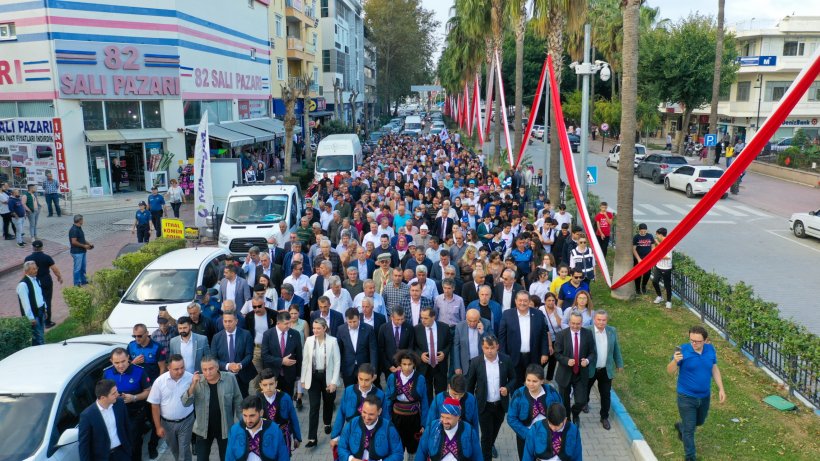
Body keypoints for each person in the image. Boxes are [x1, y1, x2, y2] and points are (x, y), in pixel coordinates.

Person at [667, 325, 726, 461]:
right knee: (690, 430)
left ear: (705, 341)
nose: (694, 343)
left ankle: (681, 427)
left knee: (698, 422)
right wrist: (675, 361)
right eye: (691, 340)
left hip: (704, 396)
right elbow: (670, 371)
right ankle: (690, 457)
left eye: (697, 341)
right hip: (686, 397)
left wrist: (721, 388)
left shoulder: (710, 350)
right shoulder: (683, 351)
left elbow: (714, 369)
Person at [182, 356, 242, 461]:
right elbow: (185, 402)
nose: (208, 372)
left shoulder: (230, 378)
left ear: (217, 367)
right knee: (202, 459)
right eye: (204, 369)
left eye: (211, 368)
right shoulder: (197, 381)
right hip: (203, 430)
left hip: (225, 428)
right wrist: (193, 385)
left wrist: (243, 424)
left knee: (227, 458)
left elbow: (238, 401)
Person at [466, 334, 516, 461]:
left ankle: (490, 444)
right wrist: (469, 405)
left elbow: (514, 378)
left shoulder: (506, 359)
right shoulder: (476, 362)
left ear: (497, 347)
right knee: (486, 436)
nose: (489, 351)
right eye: (486, 348)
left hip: (500, 405)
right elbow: (469, 386)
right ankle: (486, 456)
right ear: (482, 347)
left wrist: (508, 388)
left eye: (492, 348)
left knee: (494, 431)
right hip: (484, 406)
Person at [103, 348, 151, 461]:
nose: (120, 365)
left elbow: (148, 391)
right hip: (115, 415)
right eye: (117, 362)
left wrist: (134, 398)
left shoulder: (139, 371)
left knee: (134, 444)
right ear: (111, 361)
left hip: (134, 415)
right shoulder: (107, 373)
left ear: (128, 358)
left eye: (123, 361)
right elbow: (103, 394)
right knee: (119, 445)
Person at [507, 364, 563, 460]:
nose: (531, 384)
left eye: (535, 381)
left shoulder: (552, 392)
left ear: (542, 381)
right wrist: (528, 434)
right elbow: (511, 418)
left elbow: (560, 412)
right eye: (528, 380)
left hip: (549, 436)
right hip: (525, 437)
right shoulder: (519, 394)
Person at [300, 317, 341, 447]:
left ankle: (327, 422)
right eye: (314, 328)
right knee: (314, 406)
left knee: (328, 402)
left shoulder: (333, 341)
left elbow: (337, 362)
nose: (315, 330)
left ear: (324, 328)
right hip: (313, 377)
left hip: (327, 377)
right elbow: (305, 361)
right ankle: (312, 438)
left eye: (318, 328)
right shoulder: (309, 340)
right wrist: (302, 378)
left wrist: (334, 382)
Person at [148, 355, 195, 461]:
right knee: (175, 450)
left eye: (182, 367)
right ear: (168, 367)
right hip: (167, 424)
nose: (180, 371)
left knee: (184, 449)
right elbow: (155, 405)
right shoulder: (159, 382)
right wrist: (158, 427)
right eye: (176, 369)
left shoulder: (190, 378)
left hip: (187, 421)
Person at [554, 311, 596, 427]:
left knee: (581, 401)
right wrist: (567, 360)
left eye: (578, 324)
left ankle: (575, 413)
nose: (575, 326)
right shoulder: (561, 335)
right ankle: (567, 420)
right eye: (573, 323)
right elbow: (557, 354)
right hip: (565, 374)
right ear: (569, 322)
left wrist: (587, 361)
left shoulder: (587, 334)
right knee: (564, 401)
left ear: (582, 323)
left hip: (580, 374)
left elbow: (592, 352)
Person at [499, 291, 550, 387]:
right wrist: (503, 356)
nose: (522, 303)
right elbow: (502, 338)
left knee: (533, 384)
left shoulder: (538, 314)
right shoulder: (507, 314)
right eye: (520, 300)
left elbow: (543, 335)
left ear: (529, 301)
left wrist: (544, 353)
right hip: (513, 357)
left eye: (525, 301)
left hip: (533, 356)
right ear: (515, 301)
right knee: (515, 385)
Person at [384, 349, 429, 457]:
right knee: (397, 445)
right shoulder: (392, 377)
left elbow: (424, 402)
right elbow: (388, 400)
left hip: (414, 419)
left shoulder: (420, 378)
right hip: (397, 418)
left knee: (413, 447)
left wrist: (424, 424)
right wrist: (387, 420)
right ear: (400, 364)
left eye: (410, 364)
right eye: (404, 364)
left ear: (414, 364)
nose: (407, 367)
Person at [329, 363, 385, 449]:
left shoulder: (380, 394)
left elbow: (385, 418)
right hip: (351, 432)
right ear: (358, 376)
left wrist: (384, 436)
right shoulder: (349, 390)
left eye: (367, 380)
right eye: (360, 379)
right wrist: (335, 436)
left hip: (372, 434)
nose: (363, 383)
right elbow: (341, 413)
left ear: (373, 378)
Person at [586, 309, 624, 430]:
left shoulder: (612, 331)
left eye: (604, 320)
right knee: (584, 391)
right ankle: (584, 403)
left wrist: (619, 363)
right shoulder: (587, 331)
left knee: (606, 395)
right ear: (594, 320)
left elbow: (616, 348)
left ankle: (604, 417)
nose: (601, 322)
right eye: (599, 320)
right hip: (590, 368)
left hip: (605, 369)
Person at [78, 379, 132, 461]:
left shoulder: (119, 403)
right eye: (114, 393)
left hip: (122, 453)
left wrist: (130, 449)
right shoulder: (87, 415)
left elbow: (127, 426)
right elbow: (84, 445)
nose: (117, 394)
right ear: (103, 397)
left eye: (116, 391)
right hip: (102, 457)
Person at [338, 395, 405, 461]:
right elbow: (341, 447)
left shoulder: (389, 428)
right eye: (364, 412)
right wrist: (352, 459)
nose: (366, 417)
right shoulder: (352, 424)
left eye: (371, 414)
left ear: (379, 412)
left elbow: (398, 454)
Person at [225, 395, 291, 461]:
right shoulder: (234, 430)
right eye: (245, 415)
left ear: (261, 413)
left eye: (252, 415)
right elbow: (229, 457)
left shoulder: (274, 429)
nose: (248, 420)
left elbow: (283, 456)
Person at [416, 397, 483, 461]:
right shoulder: (432, 427)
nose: (444, 421)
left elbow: (477, 456)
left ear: (458, 417)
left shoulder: (469, 430)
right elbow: (421, 452)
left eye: (448, 418)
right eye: (442, 416)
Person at [256, 368, 302, 454]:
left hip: (283, 436)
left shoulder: (285, 397)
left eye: (271, 384)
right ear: (260, 385)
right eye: (265, 385)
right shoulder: (257, 399)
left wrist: (297, 437)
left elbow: (293, 418)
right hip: (264, 438)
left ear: (276, 383)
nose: (268, 387)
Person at [213, 311, 257, 398]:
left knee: (243, 400)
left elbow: (249, 355)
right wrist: (228, 366)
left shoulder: (246, 334)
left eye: (230, 321)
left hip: (242, 375)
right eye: (225, 321)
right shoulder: (216, 337)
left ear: (236, 321)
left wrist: (240, 365)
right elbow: (213, 359)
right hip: (224, 376)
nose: (227, 324)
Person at [261, 311, 303, 396]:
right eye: (286, 323)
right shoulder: (268, 334)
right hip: (273, 376)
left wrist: (298, 374)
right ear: (278, 323)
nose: (289, 325)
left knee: (287, 400)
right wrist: (281, 361)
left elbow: (299, 355)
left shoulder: (295, 334)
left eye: (290, 323)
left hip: (289, 375)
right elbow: (264, 356)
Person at [414, 306, 452, 400]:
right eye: (421, 317)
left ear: (433, 317)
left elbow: (449, 343)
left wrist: (444, 353)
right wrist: (420, 355)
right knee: (426, 394)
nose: (423, 320)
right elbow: (413, 346)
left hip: (440, 366)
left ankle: (440, 412)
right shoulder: (416, 329)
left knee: (441, 394)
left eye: (426, 318)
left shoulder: (444, 327)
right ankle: (429, 413)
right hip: (424, 367)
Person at [24, 240, 63, 328]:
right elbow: (54, 269)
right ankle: (47, 322)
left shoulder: (27, 259)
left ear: (33, 248)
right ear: (42, 247)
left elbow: (25, 272)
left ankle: (37, 319)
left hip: (33, 282)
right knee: (47, 301)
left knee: (35, 300)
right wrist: (59, 277)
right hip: (46, 281)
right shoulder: (47, 257)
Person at [336, 307, 379, 386]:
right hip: (348, 368)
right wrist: (340, 368)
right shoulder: (341, 329)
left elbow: (373, 350)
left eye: (355, 321)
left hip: (364, 367)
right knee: (349, 391)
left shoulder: (368, 329)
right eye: (350, 322)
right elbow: (339, 350)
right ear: (346, 320)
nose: (352, 324)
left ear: (359, 318)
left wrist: (374, 370)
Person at [452, 309, 490, 376]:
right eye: (469, 321)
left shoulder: (486, 323)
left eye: (475, 321)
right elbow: (456, 347)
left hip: (482, 362)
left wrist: (482, 332)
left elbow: (492, 342)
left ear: (479, 318)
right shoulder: (459, 326)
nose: (472, 323)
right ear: (466, 318)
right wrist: (457, 366)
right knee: (467, 385)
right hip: (466, 363)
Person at [17, 260, 47, 345]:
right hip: (34, 314)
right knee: (39, 338)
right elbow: (25, 304)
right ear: (27, 271)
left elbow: (41, 296)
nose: (36, 270)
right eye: (33, 269)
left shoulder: (36, 280)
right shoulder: (23, 285)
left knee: (41, 335)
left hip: (41, 311)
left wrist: (45, 308)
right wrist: (31, 318)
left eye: (36, 268)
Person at [652, 227, 674, 309]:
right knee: (654, 281)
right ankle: (659, 296)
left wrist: (657, 255)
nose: (656, 236)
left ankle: (669, 301)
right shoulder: (662, 242)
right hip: (658, 266)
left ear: (660, 235)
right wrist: (657, 242)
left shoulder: (669, 243)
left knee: (667, 285)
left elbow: (667, 257)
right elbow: (661, 247)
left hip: (666, 268)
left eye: (657, 235)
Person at [69, 214, 93, 286]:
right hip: (77, 252)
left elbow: (82, 239)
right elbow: (74, 242)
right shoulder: (74, 230)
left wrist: (89, 244)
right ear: (79, 220)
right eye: (82, 220)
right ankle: (76, 283)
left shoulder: (79, 228)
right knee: (77, 269)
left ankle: (83, 280)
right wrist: (84, 246)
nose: (83, 221)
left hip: (82, 251)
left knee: (83, 267)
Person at [632, 223, 654, 295]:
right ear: (639, 230)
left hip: (648, 259)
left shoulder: (650, 236)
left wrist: (650, 257)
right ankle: (637, 288)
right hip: (638, 259)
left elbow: (653, 247)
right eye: (642, 231)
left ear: (646, 230)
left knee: (647, 274)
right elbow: (634, 249)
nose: (643, 232)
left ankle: (644, 286)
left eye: (644, 231)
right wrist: (638, 259)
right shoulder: (636, 237)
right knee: (638, 274)